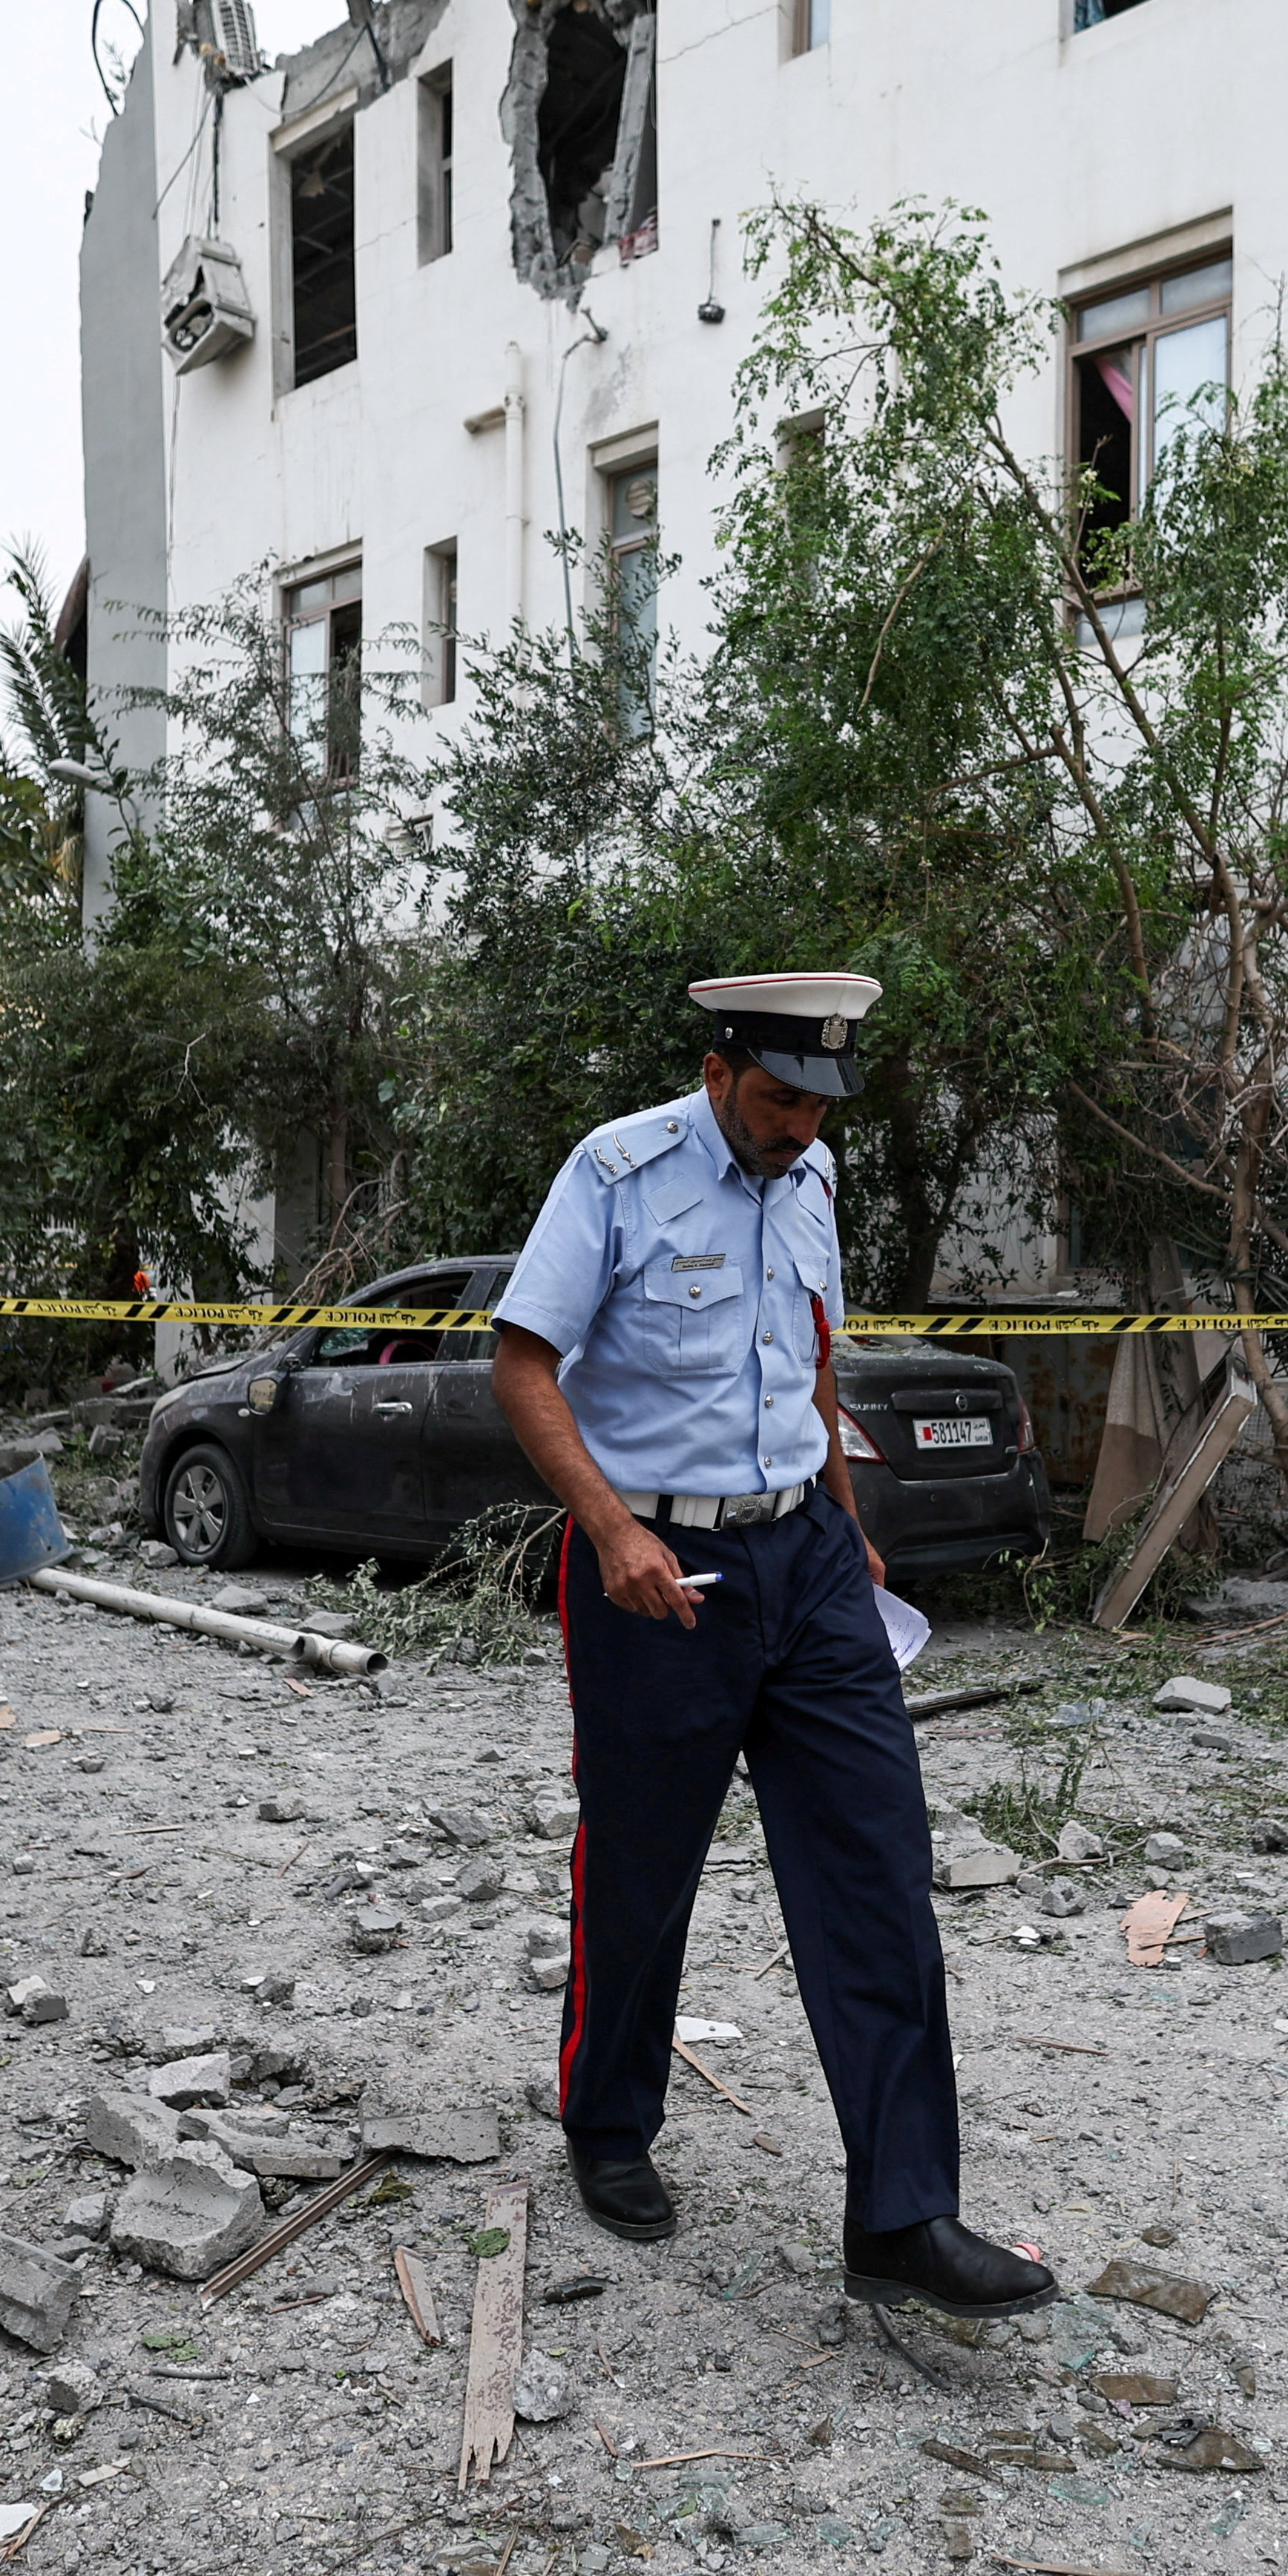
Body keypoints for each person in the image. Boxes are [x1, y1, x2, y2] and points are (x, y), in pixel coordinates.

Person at [490, 971, 1056, 2322]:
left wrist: (850, 1527)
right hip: (656, 1567)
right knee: (643, 1864)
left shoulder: (814, 1179)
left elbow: (809, 1358)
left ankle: (904, 2215)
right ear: (718, 1070)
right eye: (780, 1097)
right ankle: (608, 2123)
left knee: (876, 1866)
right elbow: (520, 1362)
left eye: (819, 1104)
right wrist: (612, 1530)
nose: (800, 1126)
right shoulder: (617, 1170)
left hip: (807, 1559)